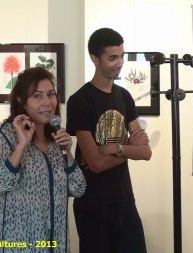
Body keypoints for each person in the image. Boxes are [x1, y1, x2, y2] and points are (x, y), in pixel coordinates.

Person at [66, 28, 152, 253]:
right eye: (112, 57)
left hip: (124, 200)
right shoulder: (79, 101)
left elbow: (147, 152)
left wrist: (118, 148)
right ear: (95, 59)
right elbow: (95, 163)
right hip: (92, 205)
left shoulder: (124, 96)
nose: (119, 63)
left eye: (121, 56)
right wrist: (131, 148)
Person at [0, 67, 86, 253]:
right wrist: (22, 145)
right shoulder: (5, 137)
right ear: (22, 102)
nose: (48, 102)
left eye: (51, 94)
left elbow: (78, 188)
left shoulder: (57, 139)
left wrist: (68, 153)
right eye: (37, 96)